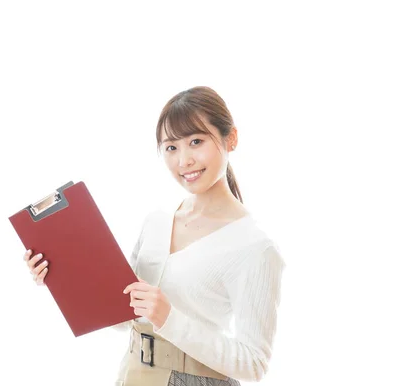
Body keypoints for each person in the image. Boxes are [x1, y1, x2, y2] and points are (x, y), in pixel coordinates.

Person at [23, 86, 286, 385]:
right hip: (133, 374)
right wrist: (61, 277)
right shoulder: (157, 223)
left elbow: (254, 364)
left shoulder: (254, 246)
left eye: (196, 141)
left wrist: (169, 319)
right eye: (171, 147)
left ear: (231, 139)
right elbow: (124, 319)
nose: (184, 160)